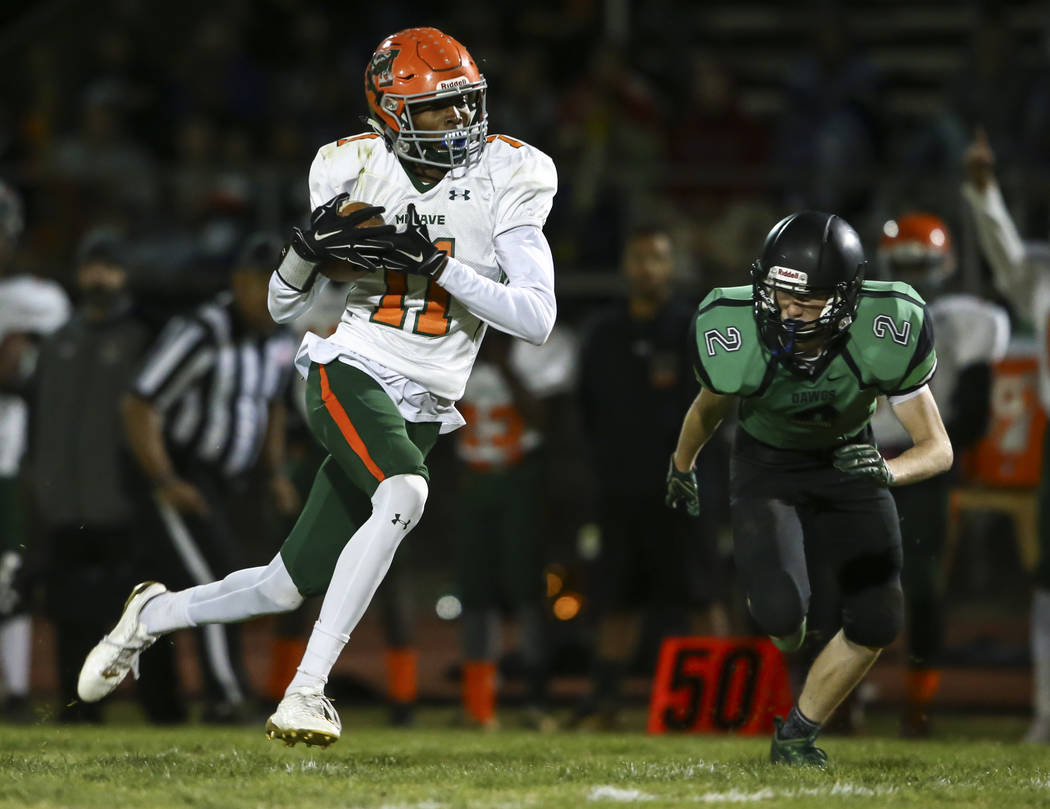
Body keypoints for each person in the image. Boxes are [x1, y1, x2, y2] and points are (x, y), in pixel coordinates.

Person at [77, 26, 557, 748]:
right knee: (406, 492)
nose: (460, 121)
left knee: (282, 583)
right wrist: (303, 253)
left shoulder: (508, 172)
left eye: (465, 105)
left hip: (426, 397)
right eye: (438, 108)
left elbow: (537, 316)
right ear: (392, 111)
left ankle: (150, 617)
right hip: (349, 364)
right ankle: (307, 690)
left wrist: (434, 264)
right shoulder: (351, 168)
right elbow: (287, 309)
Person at [666, 211, 953, 766]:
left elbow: (937, 448)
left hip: (849, 458)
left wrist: (888, 471)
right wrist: (682, 465)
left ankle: (797, 733)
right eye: (778, 294)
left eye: (809, 300)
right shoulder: (735, 328)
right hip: (766, 466)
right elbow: (709, 409)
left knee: (878, 618)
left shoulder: (887, 325)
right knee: (780, 612)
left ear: (847, 298)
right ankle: (789, 625)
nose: (788, 310)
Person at [114, 233, 300, 722]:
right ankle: (226, 695)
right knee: (215, 581)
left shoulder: (280, 338)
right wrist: (165, 480)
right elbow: (139, 403)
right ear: (239, 282)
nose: (275, 294)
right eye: (265, 283)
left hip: (222, 481)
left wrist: (275, 472)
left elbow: (275, 407)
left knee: (164, 586)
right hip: (176, 469)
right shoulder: (203, 330)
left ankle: (163, 706)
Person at [571, 225, 728, 730]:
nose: (647, 268)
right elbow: (586, 411)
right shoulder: (603, 334)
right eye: (639, 258)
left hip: (685, 489)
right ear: (625, 267)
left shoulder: (694, 329)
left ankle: (723, 702)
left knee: (703, 596)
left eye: (657, 258)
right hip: (621, 490)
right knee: (618, 601)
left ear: (671, 265)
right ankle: (604, 704)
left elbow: (720, 408)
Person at [28, 230, 185, 723]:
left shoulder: (146, 336)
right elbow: (41, 420)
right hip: (67, 504)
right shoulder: (57, 342)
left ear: (125, 274)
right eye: (92, 267)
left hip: (126, 501)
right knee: (72, 613)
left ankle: (164, 712)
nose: (99, 277)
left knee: (147, 616)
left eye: (109, 267)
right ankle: (78, 712)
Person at [872, 212, 1009, 736]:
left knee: (925, 586)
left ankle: (918, 704)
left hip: (925, 459)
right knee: (844, 582)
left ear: (944, 265)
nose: (911, 273)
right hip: (861, 452)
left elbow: (972, 414)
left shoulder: (966, 321)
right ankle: (837, 703)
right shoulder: (852, 316)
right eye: (903, 263)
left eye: (920, 264)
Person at [961, 128, 1050, 743]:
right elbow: (1007, 257)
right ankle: (1047, 715)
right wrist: (984, 193)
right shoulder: (1043, 275)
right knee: (1048, 588)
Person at [453, 327, 574, 730]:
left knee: (527, 591)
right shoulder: (454, 341)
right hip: (472, 477)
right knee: (475, 594)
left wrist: (505, 365)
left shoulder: (541, 347)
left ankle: (536, 701)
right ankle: (478, 705)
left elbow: (545, 417)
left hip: (519, 478)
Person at [0, 181, 70, 721]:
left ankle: (18, 691)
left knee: (11, 574)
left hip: (9, 455)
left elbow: (43, 375)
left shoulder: (37, 300)